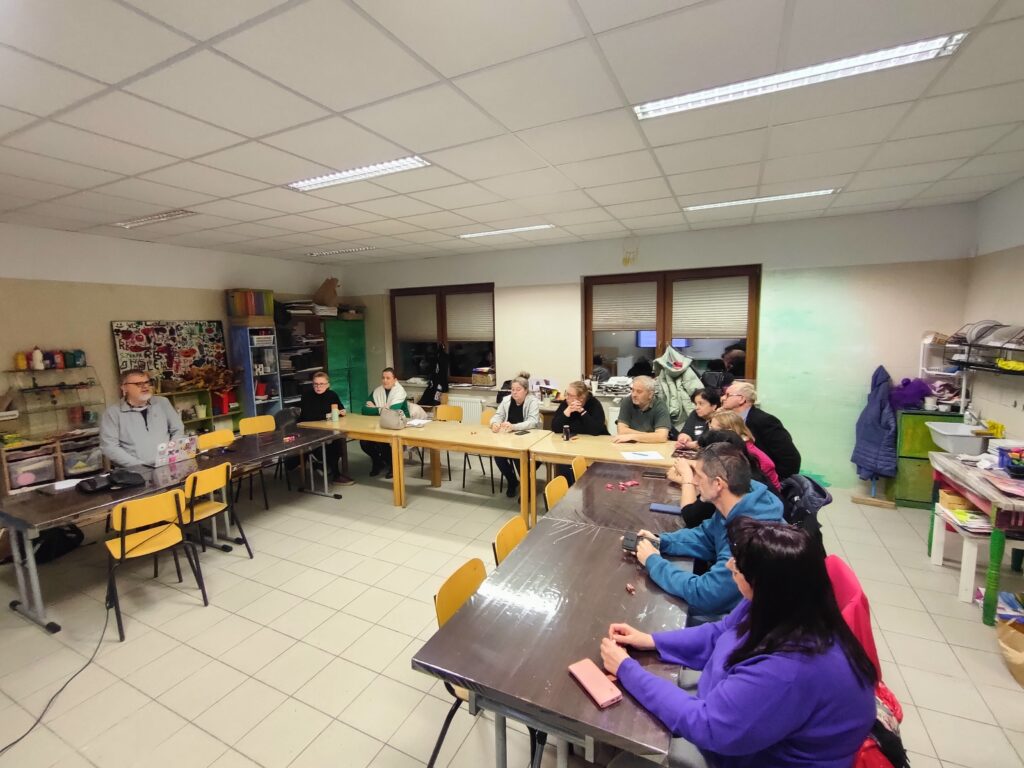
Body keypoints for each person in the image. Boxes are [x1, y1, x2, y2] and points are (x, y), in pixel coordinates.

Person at [601, 517, 878, 768]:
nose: (728, 565)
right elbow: (720, 633)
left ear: (764, 584)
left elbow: (707, 725)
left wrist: (627, 670)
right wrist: (651, 640)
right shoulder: (783, 604)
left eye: (738, 566)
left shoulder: (787, 672)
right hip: (742, 729)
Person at [631, 443, 783, 616]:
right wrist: (661, 541)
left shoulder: (750, 537)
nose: (694, 482)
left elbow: (706, 595)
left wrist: (653, 562)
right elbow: (705, 536)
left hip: (755, 621)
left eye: (699, 476)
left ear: (718, 483)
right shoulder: (737, 503)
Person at [668, 430, 780, 529]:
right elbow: (706, 534)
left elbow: (691, 518)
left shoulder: (730, 493)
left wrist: (687, 478)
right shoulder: (745, 472)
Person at [100, 369, 185, 466]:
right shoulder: (113, 413)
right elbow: (109, 447)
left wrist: (171, 453)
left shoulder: (162, 403)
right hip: (135, 470)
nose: (145, 386)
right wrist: (140, 465)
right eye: (138, 384)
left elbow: (178, 429)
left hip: (167, 464)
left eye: (147, 382)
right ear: (124, 387)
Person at [721, 382, 801, 479]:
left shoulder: (765, 421)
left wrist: (774, 482)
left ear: (741, 399)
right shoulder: (732, 421)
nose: (723, 398)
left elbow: (790, 458)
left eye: (727, 395)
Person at [490, 373, 541, 498]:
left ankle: (526, 487)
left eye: (518, 389)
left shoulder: (533, 401)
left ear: (526, 390)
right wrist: (494, 423)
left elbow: (533, 422)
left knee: (519, 457)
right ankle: (512, 481)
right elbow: (498, 416)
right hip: (509, 438)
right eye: (512, 389)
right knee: (498, 455)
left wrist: (514, 426)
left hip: (528, 438)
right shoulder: (506, 400)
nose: (514, 392)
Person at [299, 371, 354, 486]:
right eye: (316, 384)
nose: (318, 387)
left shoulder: (332, 395)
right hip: (309, 431)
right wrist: (328, 415)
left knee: (338, 441)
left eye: (321, 384)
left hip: (327, 428)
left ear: (328, 385)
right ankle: (332, 472)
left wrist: (342, 412)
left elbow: (340, 408)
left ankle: (330, 469)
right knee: (329, 445)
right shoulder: (307, 396)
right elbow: (307, 416)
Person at [550, 380, 608, 485]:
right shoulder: (565, 404)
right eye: (566, 393)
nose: (566, 397)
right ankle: (568, 490)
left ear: (581, 398)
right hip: (573, 446)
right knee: (564, 464)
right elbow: (555, 428)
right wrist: (566, 412)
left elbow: (595, 430)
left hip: (594, 446)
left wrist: (582, 411)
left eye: (570, 395)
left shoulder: (594, 404)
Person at [708, 410, 781, 492]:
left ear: (727, 431)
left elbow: (768, 467)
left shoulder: (748, 453)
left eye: (712, 429)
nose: (709, 433)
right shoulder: (734, 449)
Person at [360, 367, 407, 479]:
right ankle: (377, 461)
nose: (385, 380)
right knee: (364, 442)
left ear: (395, 380)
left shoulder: (399, 391)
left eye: (388, 378)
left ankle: (393, 466)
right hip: (380, 422)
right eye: (383, 378)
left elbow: (392, 412)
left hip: (400, 424)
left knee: (383, 441)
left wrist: (375, 408)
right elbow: (364, 409)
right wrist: (381, 409)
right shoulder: (377, 391)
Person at [612, 376, 671, 444]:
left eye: (639, 392)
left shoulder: (660, 405)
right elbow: (621, 431)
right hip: (631, 445)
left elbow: (661, 437)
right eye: (632, 390)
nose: (634, 395)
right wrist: (651, 436)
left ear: (650, 394)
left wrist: (632, 436)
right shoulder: (627, 401)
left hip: (652, 446)